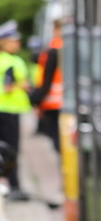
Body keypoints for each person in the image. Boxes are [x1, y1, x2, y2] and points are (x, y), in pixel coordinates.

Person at [0, 21, 32, 201]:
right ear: (5, 42)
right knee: (11, 150)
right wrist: (24, 85)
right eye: (14, 40)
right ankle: (14, 186)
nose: (17, 43)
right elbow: (7, 87)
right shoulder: (10, 62)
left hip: (4, 110)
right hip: (8, 111)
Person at [29, 19, 63, 153]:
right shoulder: (69, 46)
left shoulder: (53, 49)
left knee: (56, 139)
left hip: (53, 102)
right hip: (64, 101)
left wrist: (35, 100)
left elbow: (46, 79)